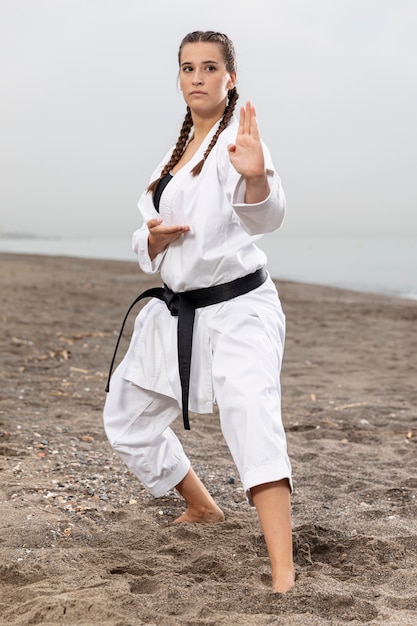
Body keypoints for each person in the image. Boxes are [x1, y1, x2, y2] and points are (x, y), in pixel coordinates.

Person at [103, 30, 295, 593]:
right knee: (127, 417)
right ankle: (204, 506)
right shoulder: (177, 148)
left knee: (251, 417)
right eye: (187, 68)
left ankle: (283, 572)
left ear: (229, 77)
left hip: (238, 307)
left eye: (209, 68)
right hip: (177, 312)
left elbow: (264, 216)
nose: (197, 78)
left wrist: (258, 178)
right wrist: (153, 241)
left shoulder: (239, 142)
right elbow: (148, 231)